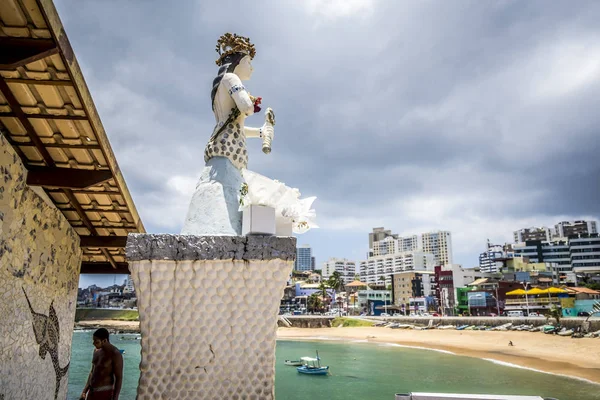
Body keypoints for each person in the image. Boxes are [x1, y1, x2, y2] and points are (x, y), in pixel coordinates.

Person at [80, 328, 123, 400]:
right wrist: (84, 392)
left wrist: (115, 398)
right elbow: (92, 372)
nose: (93, 343)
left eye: (96, 342)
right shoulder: (96, 351)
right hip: (92, 392)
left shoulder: (115, 354)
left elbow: (119, 378)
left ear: (104, 341)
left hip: (105, 393)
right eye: (93, 341)